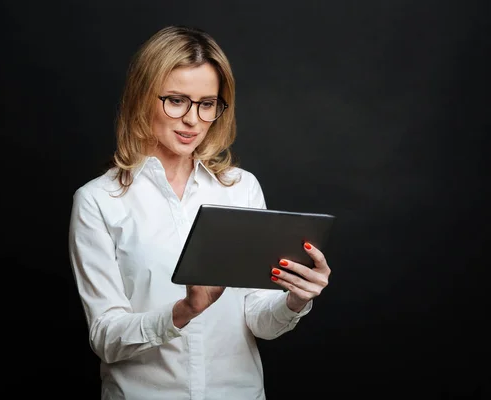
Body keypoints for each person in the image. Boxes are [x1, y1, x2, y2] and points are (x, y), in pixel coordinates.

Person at [68, 25, 331, 400]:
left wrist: (295, 299)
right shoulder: (99, 201)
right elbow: (106, 337)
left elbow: (258, 320)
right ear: (142, 99)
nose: (193, 119)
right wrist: (184, 310)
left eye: (207, 103)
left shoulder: (241, 188)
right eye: (176, 100)